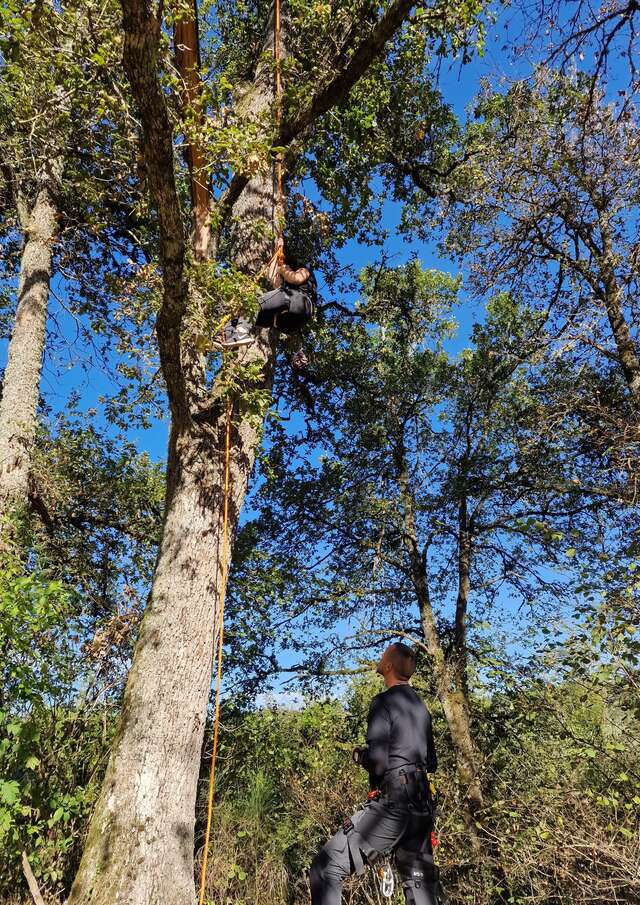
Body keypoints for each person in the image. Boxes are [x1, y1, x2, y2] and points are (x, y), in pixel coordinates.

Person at [309, 642, 440, 905]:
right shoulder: (420, 707)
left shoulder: (383, 702)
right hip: (421, 808)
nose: (379, 659)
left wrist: (361, 755)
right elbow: (432, 763)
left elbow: (379, 763)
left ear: (388, 665)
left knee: (325, 869)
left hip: (394, 806)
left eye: (383, 655)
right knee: (419, 885)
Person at [218, 237, 316, 361]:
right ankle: (223, 336)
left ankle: (240, 332)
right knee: (249, 311)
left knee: (253, 304)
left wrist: (282, 267)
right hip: (286, 322)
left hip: (301, 303)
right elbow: (274, 282)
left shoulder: (304, 270)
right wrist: (277, 252)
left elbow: (295, 278)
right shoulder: (286, 289)